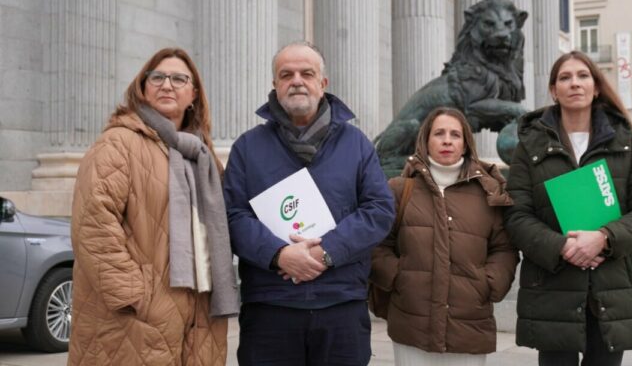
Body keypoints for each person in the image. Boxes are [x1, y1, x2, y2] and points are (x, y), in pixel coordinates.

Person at [223, 41, 395, 366]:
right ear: (275, 85)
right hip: (270, 306)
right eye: (286, 74)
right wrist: (279, 255)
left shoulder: (356, 144)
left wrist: (325, 252)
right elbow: (232, 215)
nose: (297, 81)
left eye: (307, 73)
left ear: (323, 84)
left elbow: (378, 210)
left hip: (340, 305)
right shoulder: (248, 147)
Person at [69, 48, 239, 365]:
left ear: (193, 94)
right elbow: (92, 223)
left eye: (178, 78)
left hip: (200, 315)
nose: (166, 85)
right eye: (157, 77)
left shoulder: (204, 157)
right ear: (143, 88)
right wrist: (136, 294)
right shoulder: (119, 143)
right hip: (133, 319)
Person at [504, 51, 632, 366]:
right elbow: (516, 214)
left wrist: (604, 238)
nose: (574, 83)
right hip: (552, 289)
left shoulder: (627, 142)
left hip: (611, 287)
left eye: (582, 76)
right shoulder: (530, 146)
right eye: (565, 77)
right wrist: (561, 246)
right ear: (553, 90)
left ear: (595, 86)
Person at [370, 107, 518, 366]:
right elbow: (378, 245)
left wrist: (489, 283)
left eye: (455, 134)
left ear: (465, 144)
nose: (447, 140)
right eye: (439, 133)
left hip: (469, 324)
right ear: (426, 141)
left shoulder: (489, 192)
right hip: (412, 323)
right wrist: (398, 277)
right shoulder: (399, 189)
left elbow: (504, 249)